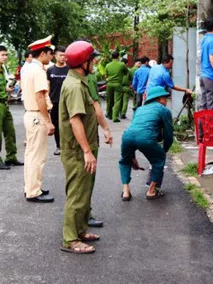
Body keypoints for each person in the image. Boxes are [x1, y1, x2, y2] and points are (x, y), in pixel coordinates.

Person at [59, 41, 101, 254]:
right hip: (77, 150)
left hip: (84, 148)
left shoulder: (80, 81)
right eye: (92, 59)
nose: (94, 62)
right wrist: (86, 151)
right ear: (83, 62)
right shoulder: (74, 86)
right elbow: (75, 121)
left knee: (84, 192)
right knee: (76, 194)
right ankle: (70, 239)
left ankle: (81, 230)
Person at [119, 86, 173, 200]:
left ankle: (125, 191)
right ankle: (152, 191)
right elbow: (168, 134)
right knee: (159, 160)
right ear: (158, 99)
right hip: (146, 137)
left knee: (125, 161)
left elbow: (135, 130)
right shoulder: (164, 110)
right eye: (165, 98)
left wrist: (132, 157)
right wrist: (164, 150)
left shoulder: (139, 109)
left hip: (127, 136)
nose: (166, 101)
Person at [22, 36, 55, 203]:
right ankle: (34, 191)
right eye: (50, 53)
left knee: (30, 154)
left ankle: (30, 187)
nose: (51, 57)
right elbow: (41, 97)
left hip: (30, 114)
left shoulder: (27, 68)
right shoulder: (39, 71)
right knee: (37, 156)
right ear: (42, 53)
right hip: (37, 115)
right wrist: (48, 121)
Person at [85, 54, 113, 228]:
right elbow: (96, 107)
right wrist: (106, 129)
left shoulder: (72, 77)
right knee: (88, 177)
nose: (95, 62)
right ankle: (85, 215)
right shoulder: (90, 78)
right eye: (92, 59)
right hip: (88, 132)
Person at [47, 46, 69, 156]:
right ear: (55, 56)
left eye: (64, 55)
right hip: (54, 102)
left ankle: (68, 146)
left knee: (68, 124)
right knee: (56, 125)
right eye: (60, 55)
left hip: (67, 102)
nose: (63, 57)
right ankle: (59, 146)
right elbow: (48, 86)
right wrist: (48, 102)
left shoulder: (69, 69)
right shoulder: (50, 70)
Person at [105, 50, 128, 122]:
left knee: (109, 100)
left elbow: (106, 76)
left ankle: (109, 114)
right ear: (118, 57)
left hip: (109, 84)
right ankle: (115, 117)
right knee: (117, 100)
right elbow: (126, 73)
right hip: (118, 84)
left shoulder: (107, 65)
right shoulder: (122, 64)